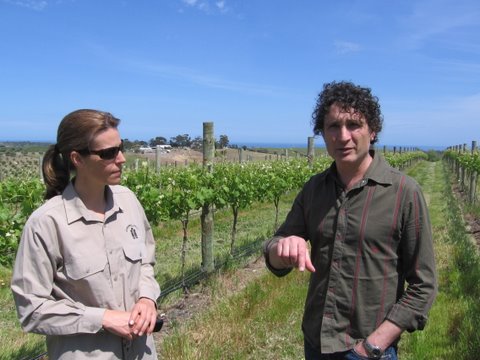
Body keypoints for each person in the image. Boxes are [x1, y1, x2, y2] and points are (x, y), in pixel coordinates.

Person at [263, 81, 437, 359]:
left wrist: (373, 345)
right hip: (316, 343)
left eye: (354, 125)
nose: (343, 136)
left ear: (373, 130)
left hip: (369, 349)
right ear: (323, 132)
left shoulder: (405, 193)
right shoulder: (313, 190)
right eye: (333, 126)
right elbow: (274, 253)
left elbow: (423, 284)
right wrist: (281, 248)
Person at [11, 109, 161, 359]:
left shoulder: (129, 202)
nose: (122, 158)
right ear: (77, 159)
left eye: (120, 147)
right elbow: (31, 309)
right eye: (109, 153)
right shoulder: (46, 223)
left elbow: (145, 263)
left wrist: (147, 298)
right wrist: (102, 319)